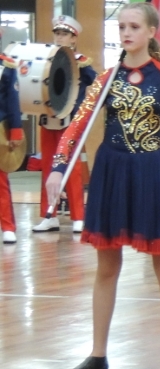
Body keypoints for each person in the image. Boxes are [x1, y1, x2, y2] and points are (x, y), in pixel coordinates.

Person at [45, 2, 160, 369]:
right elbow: (77, 125)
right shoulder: (107, 78)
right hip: (112, 171)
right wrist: (58, 167)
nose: (126, 33)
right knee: (107, 266)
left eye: (134, 26)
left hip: (152, 172)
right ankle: (98, 353)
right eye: (122, 26)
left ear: (151, 32)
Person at [33, 15, 97, 234]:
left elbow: (96, 82)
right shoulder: (46, 59)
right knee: (47, 169)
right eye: (57, 33)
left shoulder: (81, 61)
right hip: (48, 119)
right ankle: (49, 215)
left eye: (64, 34)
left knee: (72, 169)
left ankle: (78, 216)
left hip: (70, 122)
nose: (59, 37)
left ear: (73, 38)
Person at [0, 47, 23, 244]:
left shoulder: (6, 66)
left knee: (0, 181)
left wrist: (15, 130)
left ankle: (7, 226)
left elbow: (12, 100)